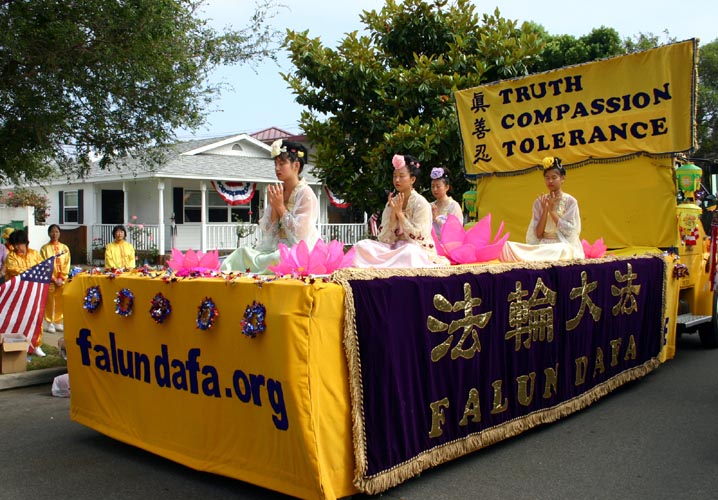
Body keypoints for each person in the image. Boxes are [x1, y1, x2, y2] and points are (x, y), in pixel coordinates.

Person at [221, 139, 320, 273]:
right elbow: (269, 233)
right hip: (277, 247)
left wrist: (280, 207)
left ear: (296, 166)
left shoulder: (305, 193)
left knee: (279, 257)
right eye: (275, 164)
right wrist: (274, 207)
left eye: (282, 164)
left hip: (299, 251)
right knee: (241, 253)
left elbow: (300, 236)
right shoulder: (279, 191)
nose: (277, 168)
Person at [352, 154, 449, 268]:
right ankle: (388, 264)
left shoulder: (421, 203)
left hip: (415, 249)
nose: (397, 180)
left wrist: (400, 215)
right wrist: (393, 214)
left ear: (412, 179)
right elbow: (383, 239)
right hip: (394, 249)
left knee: (409, 252)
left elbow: (419, 238)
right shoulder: (392, 203)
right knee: (361, 245)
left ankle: (386, 265)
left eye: (401, 176)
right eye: (395, 176)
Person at [500, 156, 584, 262]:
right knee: (507, 246)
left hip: (562, 245)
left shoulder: (570, 201)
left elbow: (569, 232)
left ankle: (537, 256)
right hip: (543, 245)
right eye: (547, 178)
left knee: (561, 250)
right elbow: (538, 234)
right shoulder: (539, 202)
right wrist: (545, 210)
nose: (550, 181)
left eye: (554, 177)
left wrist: (552, 212)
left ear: (562, 179)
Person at [5, 229, 46, 356]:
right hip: (17, 294)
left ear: (25, 242)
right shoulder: (11, 256)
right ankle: (17, 344)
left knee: (36, 317)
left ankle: (36, 344)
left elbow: (42, 267)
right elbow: (15, 270)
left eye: (19, 244)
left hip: (34, 292)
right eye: (14, 244)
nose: (17, 247)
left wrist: (34, 272)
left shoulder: (35, 254)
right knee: (18, 318)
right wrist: (33, 271)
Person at [40, 224, 71, 333]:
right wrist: (53, 278)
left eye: (57, 231)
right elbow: (44, 264)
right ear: (49, 233)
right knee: (49, 301)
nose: (54, 234)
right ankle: (50, 322)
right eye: (52, 232)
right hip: (50, 280)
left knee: (60, 300)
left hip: (61, 280)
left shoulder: (64, 248)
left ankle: (58, 321)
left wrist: (62, 277)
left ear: (59, 233)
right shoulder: (44, 248)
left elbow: (67, 263)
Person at [430, 166, 464, 238]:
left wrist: (437, 219)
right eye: (432, 186)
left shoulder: (453, 205)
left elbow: (455, 229)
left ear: (447, 187)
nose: (435, 189)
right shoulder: (430, 205)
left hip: (449, 242)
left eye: (438, 186)